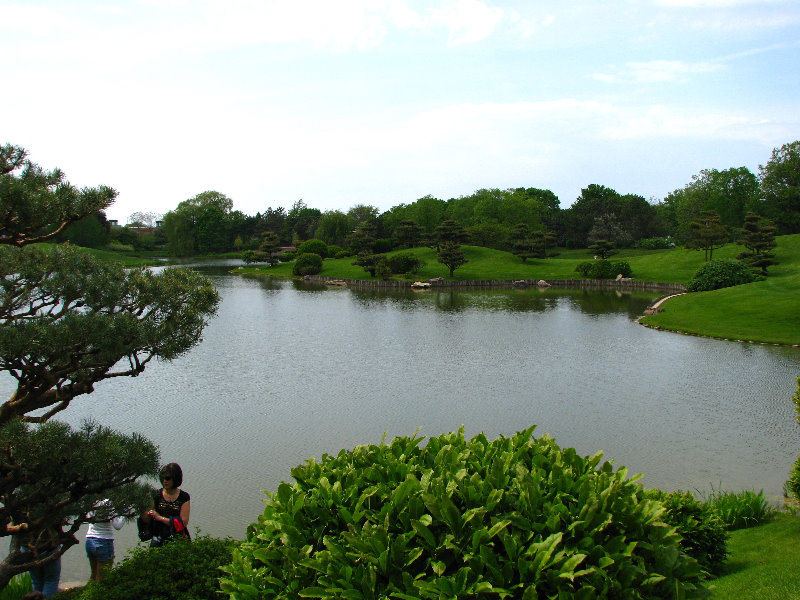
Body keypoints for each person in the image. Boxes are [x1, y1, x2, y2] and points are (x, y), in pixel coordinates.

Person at [144, 463, 190, 547]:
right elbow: (146, 519)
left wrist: (160, 518)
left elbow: (183, 522)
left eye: (168, 478)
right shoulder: (156, 495)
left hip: (178, 538)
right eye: (162, 478)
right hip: (158, 537)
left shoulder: (184, 497)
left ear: (175, 478)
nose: (164, 481)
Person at [85, 499, 125, 582]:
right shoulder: (108, 503)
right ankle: (98, 594)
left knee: (94, 574)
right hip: (104, 540)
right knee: (103, 578)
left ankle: (87, 594)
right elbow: (118, 526)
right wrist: (124, 512)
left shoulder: (90, 500)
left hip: (90, 539)